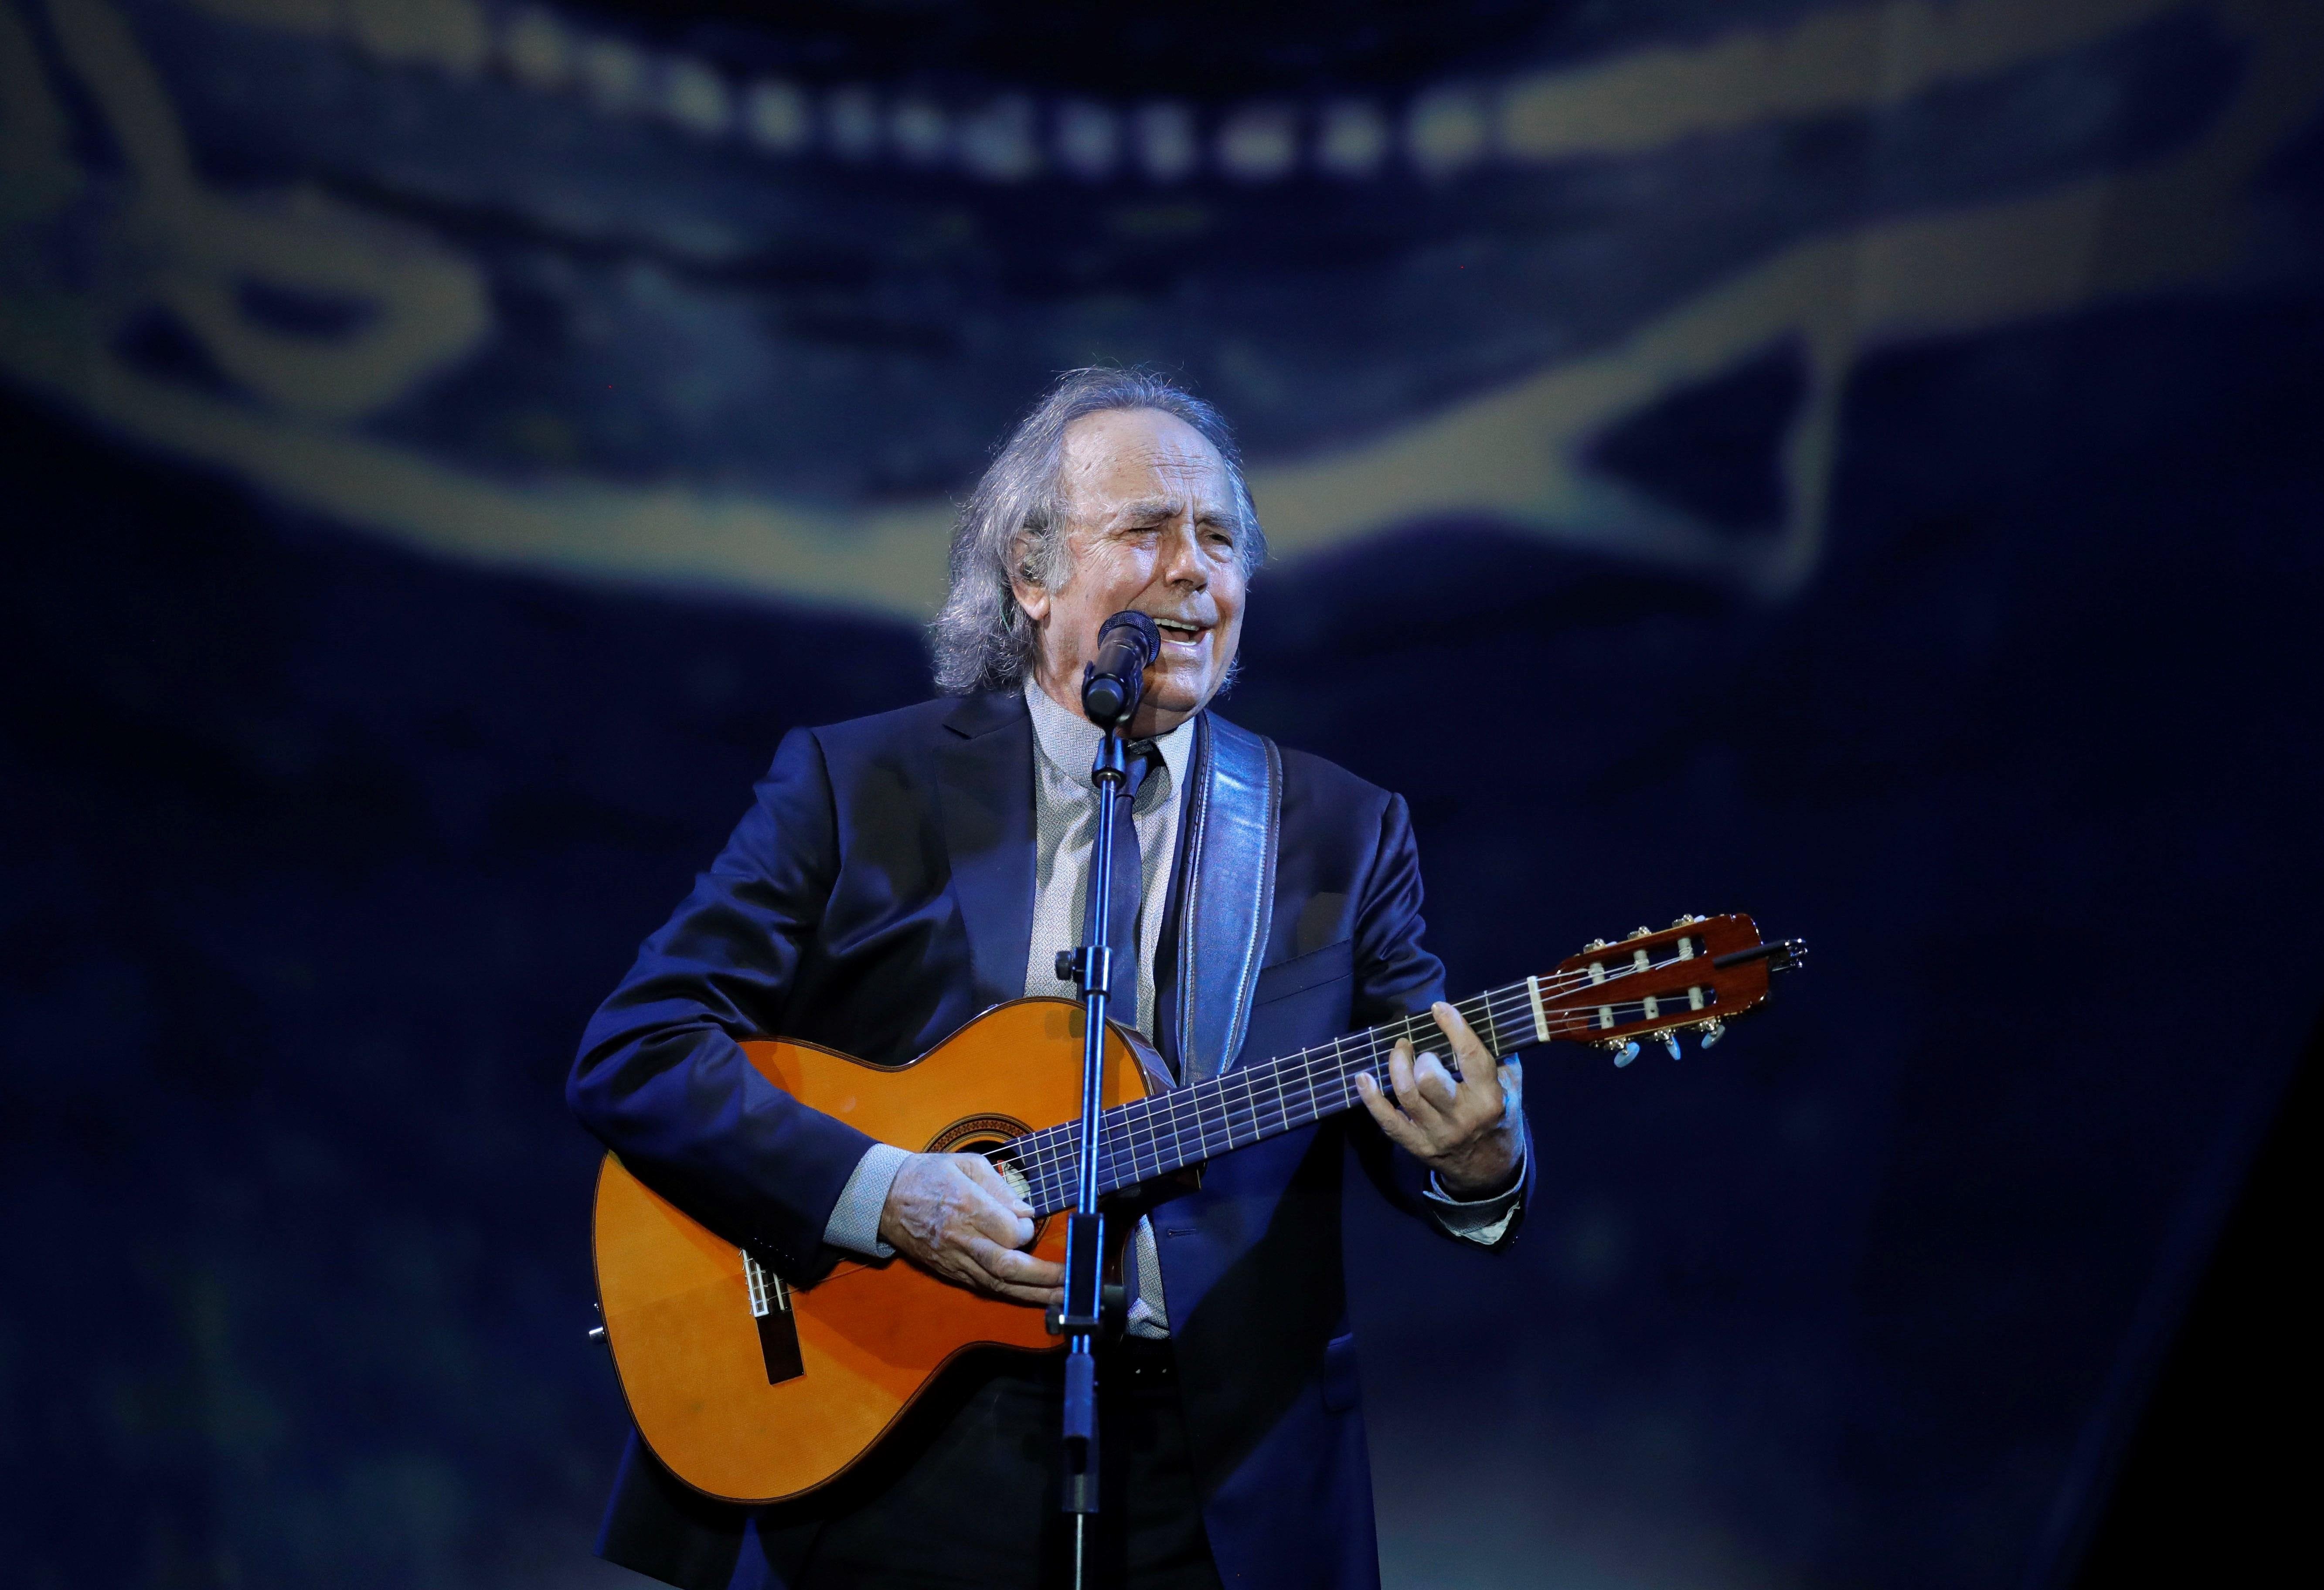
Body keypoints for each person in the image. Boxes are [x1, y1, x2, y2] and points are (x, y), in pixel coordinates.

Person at [569, 369, 1532, 1590]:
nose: (1194, 573)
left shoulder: (1340, 828)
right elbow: (639, 1050)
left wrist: (1478, 1161)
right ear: (1032, 573)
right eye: (1148, 531)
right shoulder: (857, 787)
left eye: (1221, 540)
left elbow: (1420, 1105)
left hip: (1218, 1475)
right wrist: (884, 1192)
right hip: (889, 1436)